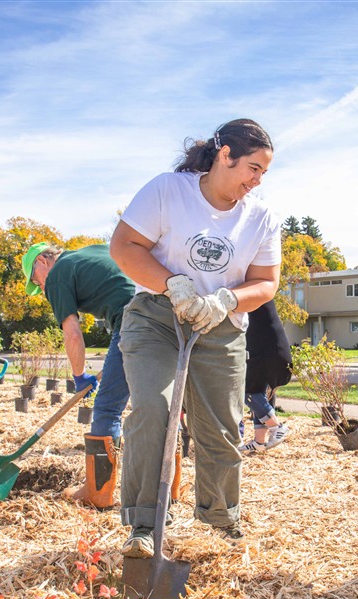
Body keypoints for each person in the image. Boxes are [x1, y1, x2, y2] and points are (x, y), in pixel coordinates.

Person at [110, 118, 281, 558]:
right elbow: (124, 247)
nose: (258, 181)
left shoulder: (260, 217)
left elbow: (266, 283)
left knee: (221, 427)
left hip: (220, 327)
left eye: (264, 172)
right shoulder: (169, 190)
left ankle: (219, 522)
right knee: (154, 408)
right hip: (157, 318)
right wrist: (173, 285)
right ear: (225, 156)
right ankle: (145, 525)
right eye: (254, 168)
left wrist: (227, 299)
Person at [22, 242, 135, 507]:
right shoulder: (90, 252)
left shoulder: (56, 275)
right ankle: (170, 489)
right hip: (161, 312)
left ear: (42, 261)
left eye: (36, 280)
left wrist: (80, 376)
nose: (40, 287)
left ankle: (98, 494)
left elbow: (72, 333)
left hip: (132, 320)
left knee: (107, 408)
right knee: (159, 406)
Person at [240, 298, 291, 453]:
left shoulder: (254, 296)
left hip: (267, 351)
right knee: (258, 392)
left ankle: (277, 427)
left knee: (248, 393)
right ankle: (259, 441)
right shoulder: (260, 296)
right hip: (267, 349)